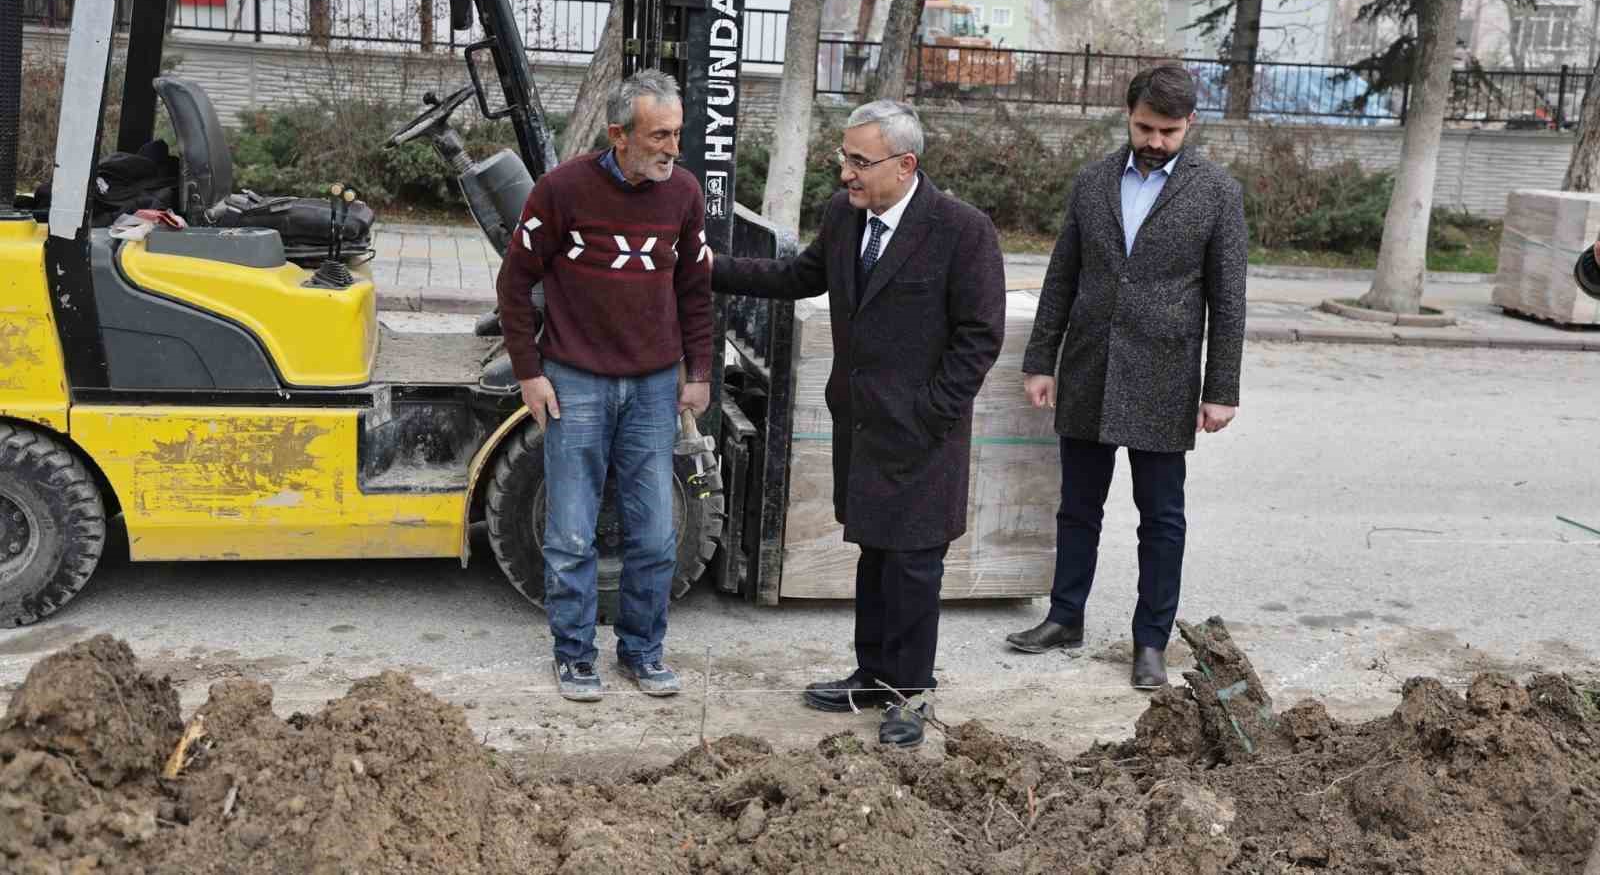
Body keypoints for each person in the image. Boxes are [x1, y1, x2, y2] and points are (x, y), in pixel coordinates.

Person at [711, 100, 1006, 748]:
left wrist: (931, 412)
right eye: (843, 158)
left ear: (905, 165)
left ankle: (911, 691)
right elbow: (798, 276)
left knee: (913, 563)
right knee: (874, 554)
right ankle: (873, 674)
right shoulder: (846, 219)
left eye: (858, 161)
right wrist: (709, 268)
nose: (845, 173)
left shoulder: (962, 231)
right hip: (862, 426)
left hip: (923, 433)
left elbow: (980, 337)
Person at [1005, 63, 1248, 690]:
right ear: (1128, 116)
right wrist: (1040, 359)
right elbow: (1062, 276)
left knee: (1161, 517)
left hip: (1164, 376)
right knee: (1077, 507)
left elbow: (1229, 297)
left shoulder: (1217, 191)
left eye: (1169, 130)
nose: (1155, 141)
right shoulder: (1092, 182)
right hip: (1088, 365)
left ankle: (1151, 641)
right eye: (1145, 127)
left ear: (1190, 123)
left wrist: (1220, 389)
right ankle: (1064, 618)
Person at [495, 68, 712, 702]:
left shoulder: (684, 195)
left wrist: (697, 372)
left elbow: (694, 290)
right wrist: (529, 373)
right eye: (659, 136)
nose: (673, 149)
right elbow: (514, 284)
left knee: (653, 534)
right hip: (575, 383)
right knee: (569, 531)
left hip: (652, 389)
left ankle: (642, 652)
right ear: (619, 134)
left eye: (678, 134)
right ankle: (574, 655)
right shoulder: (561, 191)